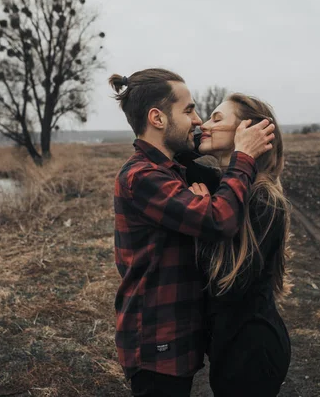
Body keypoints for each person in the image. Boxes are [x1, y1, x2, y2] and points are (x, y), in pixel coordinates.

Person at [109, 68, 275, 397]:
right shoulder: (142, 176)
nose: (198, 120)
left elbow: (195, 159)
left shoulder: (171, 169)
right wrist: (243, 156)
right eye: (189, 110)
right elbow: (219, 221)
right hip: (157, 342)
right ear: (157, 118)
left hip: (175, 339)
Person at [186, 93, 292, 396]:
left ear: (247, 131)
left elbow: (231, 284)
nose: (203, 125)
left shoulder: (264, 199)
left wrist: (204, 223)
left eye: (217, 119)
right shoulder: (229, 185)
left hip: (252, 351)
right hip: (232, 344)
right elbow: (183, 161)